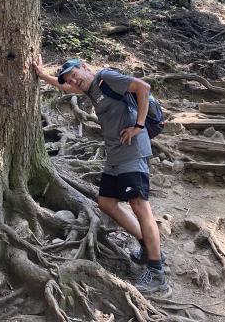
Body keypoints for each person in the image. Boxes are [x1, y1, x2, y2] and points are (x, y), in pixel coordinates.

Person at [33, 55, 168, 294]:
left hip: (133, 152)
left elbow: (142, 87)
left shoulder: (106, 77)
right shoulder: (91, 89)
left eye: (75, 74)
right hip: (115, 155)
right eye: (71, 79)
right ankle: (147, 246)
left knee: (139, 205)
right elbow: (64, 86)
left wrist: (138, 126)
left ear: (85, 67)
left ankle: (156, 272)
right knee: (106, 203)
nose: (73, 80)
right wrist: (42, 75)